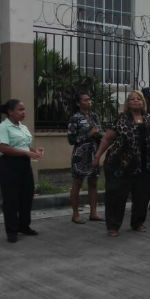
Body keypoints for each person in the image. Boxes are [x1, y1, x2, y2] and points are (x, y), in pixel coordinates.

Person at [92, 90, 150, 237]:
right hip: (121, 165)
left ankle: (137, 223)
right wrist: (97, 156)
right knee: (116, 196)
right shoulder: (121, 119)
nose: (135, 101)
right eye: (132, 99)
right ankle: (113, 226)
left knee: (142, 196)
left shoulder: (148, 118)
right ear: (128, 103)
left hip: (144, 164)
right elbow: (107, 139)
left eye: (138, 99)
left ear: (143, 102)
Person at [0, 99, 44, 243]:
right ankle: (11, 230)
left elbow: (26, 146)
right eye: (20, 110)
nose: (24, 112)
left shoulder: (23, 127)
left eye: (24, 109)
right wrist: (27, 154)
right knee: (11, 200)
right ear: (10, 112)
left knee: (26, 197)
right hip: (8, 165)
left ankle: (24, 226)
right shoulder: (3, 127)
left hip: (23, 165)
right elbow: (3, 148)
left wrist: (36, 151)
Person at [67, 92, 103, 224]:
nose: (89, 101)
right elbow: (71, 140)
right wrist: (89, 134)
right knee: (77, 183)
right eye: (86, 100)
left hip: (93, 153)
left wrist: (99, 135)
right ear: (78, 103)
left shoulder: (94, 116)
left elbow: (100, 132)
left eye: (90, 99)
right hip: (80, 155)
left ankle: (93, 213)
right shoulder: (75, 118)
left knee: (93, 182)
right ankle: (75, 214)